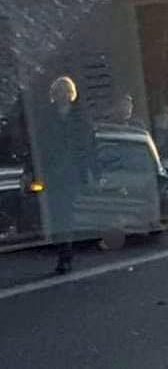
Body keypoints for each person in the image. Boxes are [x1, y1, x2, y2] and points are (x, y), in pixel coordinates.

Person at [39, 76, 94, 274]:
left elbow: (89, 145)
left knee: (67, 213)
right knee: (57, 214)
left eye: (65, 91)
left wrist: (92, 171)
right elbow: (40, 146)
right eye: (58, 91)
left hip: (72, 172)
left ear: (71, 94)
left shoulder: (81, 116)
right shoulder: (46, 117)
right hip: (53, 173)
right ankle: (64, 250)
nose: (62, 95)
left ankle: (66, 252)